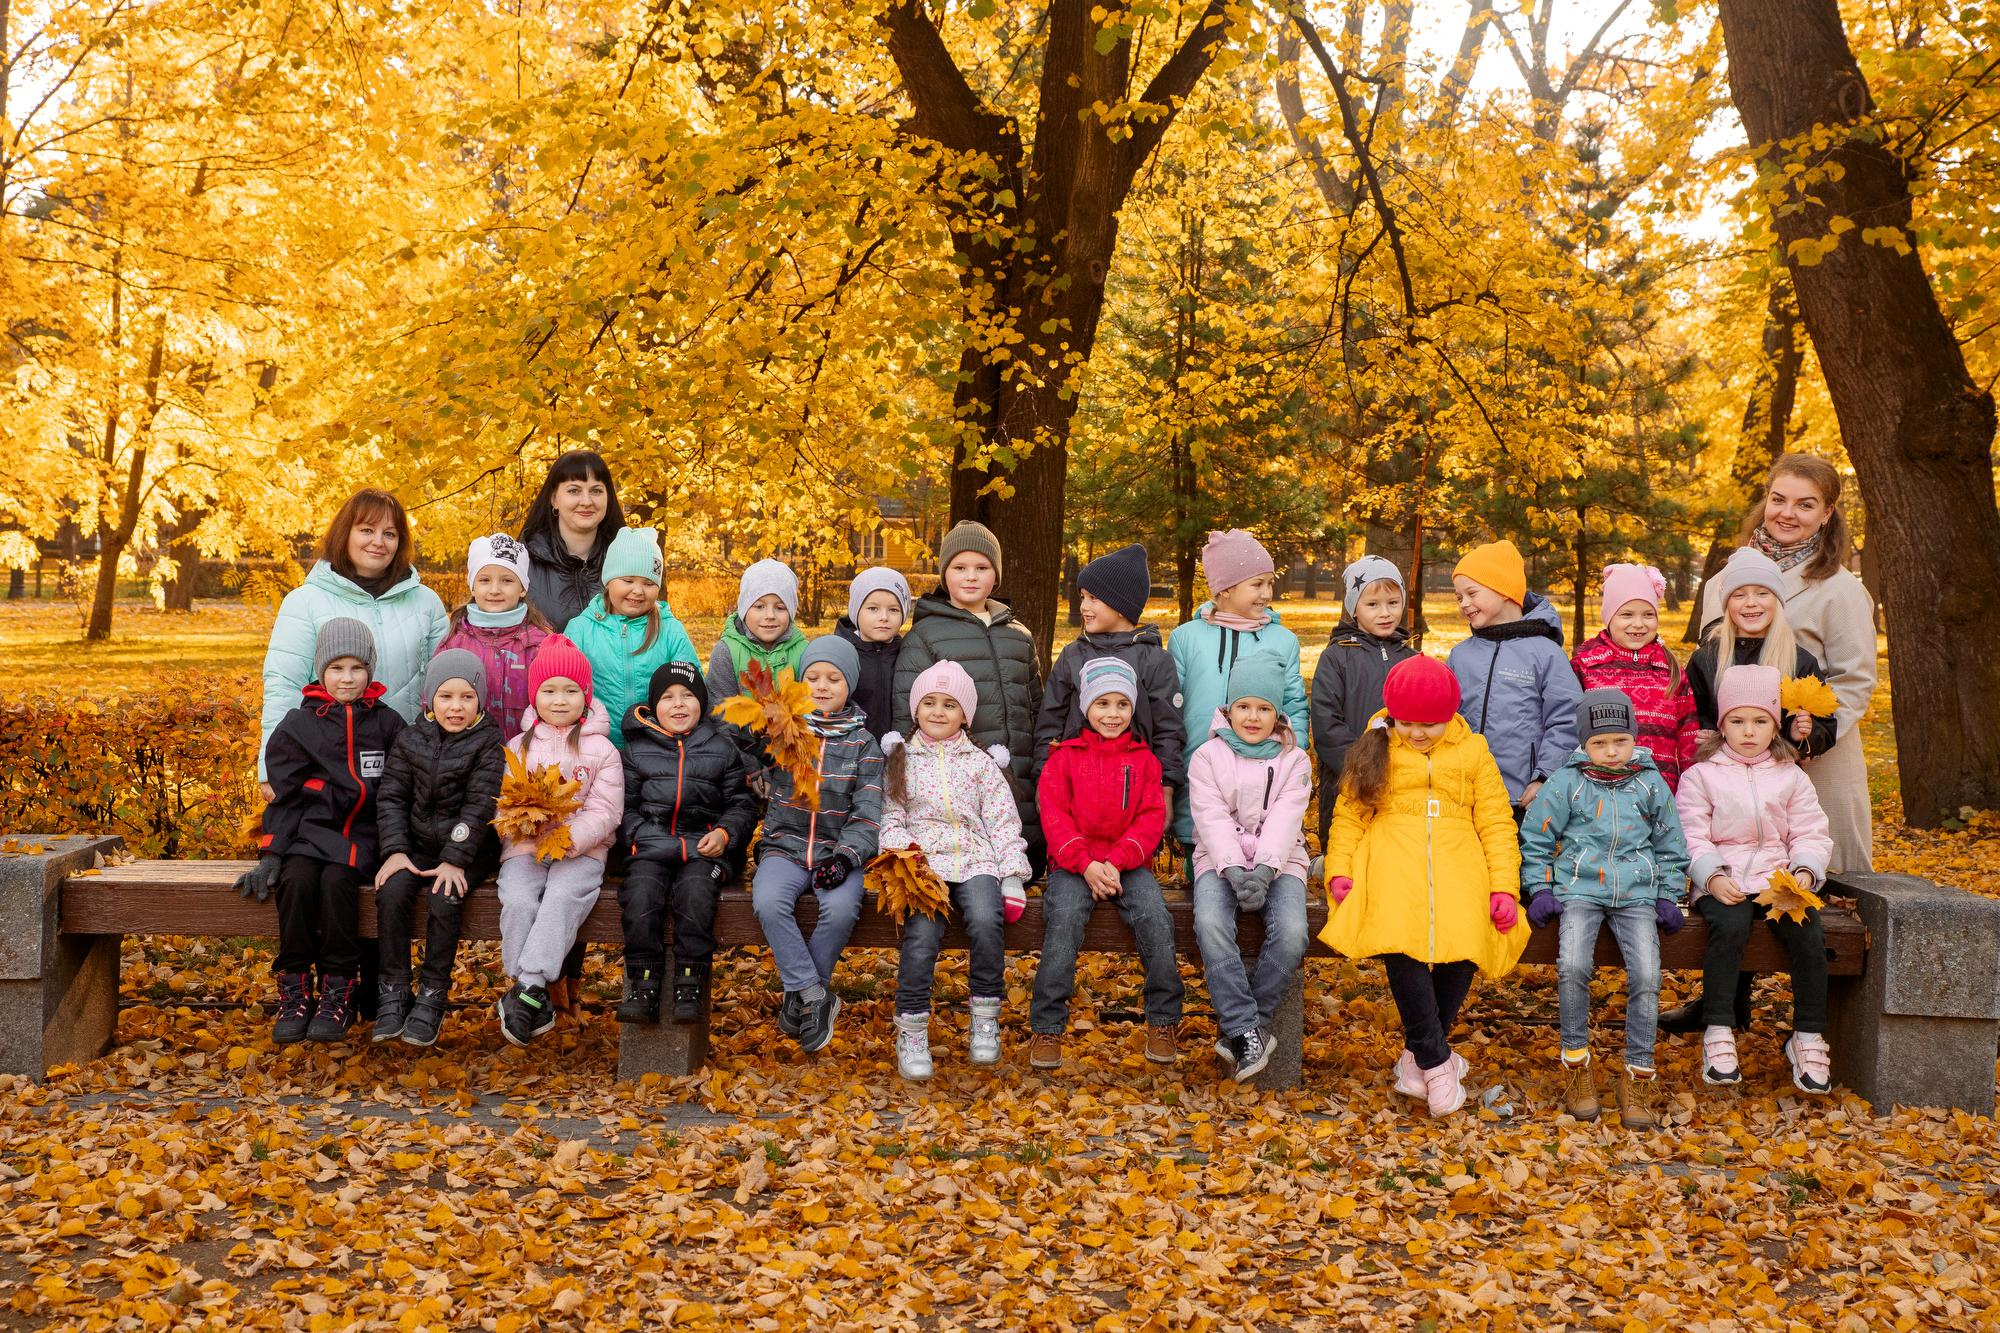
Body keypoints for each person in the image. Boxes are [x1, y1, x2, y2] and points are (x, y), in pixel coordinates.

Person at [1320, 655, 1528, 1117]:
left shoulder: (1473, 751)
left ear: (1450, 716)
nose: (1417, 733)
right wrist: (1339, 869)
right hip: (1391, 858)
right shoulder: (1377, 747)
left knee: (1465, 944)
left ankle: (1418, 1058)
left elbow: (1495, 821)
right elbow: (1350, 815)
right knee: (1401, 943)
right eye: (1407, 722)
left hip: (1459, 860)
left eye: (1429, 724)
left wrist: (1502, 887)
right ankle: (1436, 1063)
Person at [1520, 688, 1692, 1129]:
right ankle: (1577, 1067)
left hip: (1637, 893)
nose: (1611, 752)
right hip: (1579, 888)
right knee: (1573, 965)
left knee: (1648, 975)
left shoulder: (1651, 782)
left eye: (1620, 740)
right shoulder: (1567, 782)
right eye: (1599, 743)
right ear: (1584, 743)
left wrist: (1668, 893)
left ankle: (1636, 1076)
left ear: (1634, 736)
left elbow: (1671, 844)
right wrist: (1539, 888)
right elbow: (1537, 836)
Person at [1700, 452, 1875, 875]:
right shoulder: (1722, 583)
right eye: (1779, 500)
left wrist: (1807, 740)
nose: (1787, 513)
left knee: (1825, 884)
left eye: (1805, 504)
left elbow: (1853, 680)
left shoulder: (1838, 589)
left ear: (1827, 512)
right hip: (1735, 757)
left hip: (1814, 760)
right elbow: (1709, 670)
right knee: (1740, 878)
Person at [238, 619, 406, 1044]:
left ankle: (338, 988)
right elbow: (285, 797)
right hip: (308, 835)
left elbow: (400, 791)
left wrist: (399, 847)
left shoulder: (387, 725)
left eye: (356, 668)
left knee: (336, 885)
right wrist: (271, 854)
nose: (347, 678)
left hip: (362, 841)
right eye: (336, 668)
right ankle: (294, 985)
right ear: (320, 671)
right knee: (295, 883)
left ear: (370, 670)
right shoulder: (299, 724)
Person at [1674, 665, 1835, 1094]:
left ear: (1774, 724)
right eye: (1737, 721)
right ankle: (1718, 1030)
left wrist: (1804, 869)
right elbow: (1690, 833)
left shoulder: (1789, 774)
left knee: (1805, 928)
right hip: (1723, 877)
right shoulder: (1701, 775)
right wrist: (1709, 875)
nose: (1749, 731)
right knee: (1729, 926)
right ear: (1722, 724)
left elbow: (1809, 831)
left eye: (1760, 720)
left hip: (1778, 877)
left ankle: (1807, 1035)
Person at [1029, 658, 1184, 1069]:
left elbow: (1151, 817)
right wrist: (1086, 864)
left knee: (1155, 917)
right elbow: (1055, 816)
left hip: (1128, 863)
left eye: (1121, 705)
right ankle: (1047, 1028)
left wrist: (1115, 862)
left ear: (1133, 709)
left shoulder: (1144, 759)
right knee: (1062, 920)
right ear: (1085, 707)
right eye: (1102, 704)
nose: (1112, 714)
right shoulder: (1063, 758)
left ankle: (1163, 1020)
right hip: (1073, 864)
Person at [880, 660, 1031, 1079]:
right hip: (923, 865)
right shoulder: (902, 760)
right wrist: (901, 857)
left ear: (965, 714)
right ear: (916, 710)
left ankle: (984, 1018)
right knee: (923, 937)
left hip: (975, 858)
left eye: (949, 704)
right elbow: (892, 816)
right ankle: (911, 1028)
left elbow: (1002, 820)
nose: (938, 712)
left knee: (985, 920)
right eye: (929, 702)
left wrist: (1012, 872)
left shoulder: (980, 763)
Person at [257, 489, 446, 795]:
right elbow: (284, 684)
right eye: (367, 530)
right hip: (330, 772)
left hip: (410, 769)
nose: (378, 542)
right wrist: (270, 768)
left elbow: (444, 686)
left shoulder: (426, 603)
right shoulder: (306, 602)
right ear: (345, 533)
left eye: (390, 533)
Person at [750, 636, 884, 1055]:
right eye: (813, 678)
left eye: (834, 678)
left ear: (850, 687)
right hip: (784, 847)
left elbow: (868, 813)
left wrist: (846, 858)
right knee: (768, 902)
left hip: (837, 853)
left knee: (842, 908)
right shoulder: (784, 734)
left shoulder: (864, 746)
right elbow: (753, 774)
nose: (822, 686)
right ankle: (814, 995)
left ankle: (802, 996)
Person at [1185, 656, 1312, 1081]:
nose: (1253, 718)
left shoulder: (1295, 759)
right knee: (1211, 923)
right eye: (1243, 707)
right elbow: (1211, 816)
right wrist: (1235, 870)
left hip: (1282, 860)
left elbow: (1286, 818)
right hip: (1219, 861)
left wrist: (1265, 871)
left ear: (1277, 713)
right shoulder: (1206, 756)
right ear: (1228, 708)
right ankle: (1246, 1027)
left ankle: (1244, 1028)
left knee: (1293, 932)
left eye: (1263, 708)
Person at [494, 637, 625, 1046]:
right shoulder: (519, 746)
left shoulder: (601, 749)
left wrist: (572, 838)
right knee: (517, 898)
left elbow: (606, 809)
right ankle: (528, 989)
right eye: (549, 690)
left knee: (561, 898)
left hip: (582, 852)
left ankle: (527, 989)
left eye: (571, 690)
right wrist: (519, 824)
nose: (560, 699)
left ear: (586, 697)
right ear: (535, 696)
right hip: (526, 848)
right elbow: (503, 803)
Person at [371, 650, 506, 1047]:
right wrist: (396, 851)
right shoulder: (411, 738)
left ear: (480, 700)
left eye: (467, 697)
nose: (456, 707)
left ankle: (432, 994)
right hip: (414, 845)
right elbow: (392, 797)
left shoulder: (489, 743)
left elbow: (481, 806)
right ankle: (393, 989)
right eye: (446, 697)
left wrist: (454, 859)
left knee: (444, 898)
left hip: (469, 850)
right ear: (431, 698)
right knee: (392, 891)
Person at [893, 521, 1043, 864]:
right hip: (955, 796)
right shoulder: (925, 636)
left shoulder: (1019, 635)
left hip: (1019, 779)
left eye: (982, 567)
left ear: (997, 575)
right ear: (946, 575)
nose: (971, 576)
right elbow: (907, 717)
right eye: (960, 567)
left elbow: (1036, 708)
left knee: (1021, 869)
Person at [617, 661, 759, 1025]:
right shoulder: (636, 750)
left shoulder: (722, 749)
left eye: (688, 697)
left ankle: (690, 981)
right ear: (653, 705)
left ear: (701, 704)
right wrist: (639, 838)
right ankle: (643, 981)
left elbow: (742, 804)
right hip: (651, 846)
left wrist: (725, 834)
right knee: (640, 894)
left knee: (696, 893)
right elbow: (626, 808)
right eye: (668, 697)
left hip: (705, 847)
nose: (678, 705)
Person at [1170, 530, 1309, 854]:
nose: (1267, 593)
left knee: (1264, 877)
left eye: (1269, 583)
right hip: (1202, 784)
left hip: (1269, 786)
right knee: (1207, 884)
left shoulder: (1282, 640)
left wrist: (1294, 752)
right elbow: (1170, 712)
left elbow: (1293, 704)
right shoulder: (1186, 639)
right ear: (1226, 588)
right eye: (1257, 584)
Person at [1036, 543, 1185, 827]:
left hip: (1134, 793)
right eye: (1082, 597)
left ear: (1120, 605)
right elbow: (1050, 723)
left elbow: (1169, 730)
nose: (1083, 606)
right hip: (1074, 791)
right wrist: (1045, 776)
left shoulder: (1154, 660)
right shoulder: (1072, 655)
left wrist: (1166, 788)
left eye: (1093, 598)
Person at [1446, 539, 1581, 816]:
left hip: (1521, 798)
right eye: (1459, 597)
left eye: (1471, 593)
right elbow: (1444, 718)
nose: (1464, 603)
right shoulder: (1460, 656)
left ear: (1504, 591)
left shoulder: (1545, 653)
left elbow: (1566, 719)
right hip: (1464, 796)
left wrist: (1545, 776)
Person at [1310, 554, 1416, 848]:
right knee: (1348, 857)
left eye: (1393, 603)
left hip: (1400, 783)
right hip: (1347, 781)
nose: (1385, 613)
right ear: (1353, 608)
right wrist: (1359, 769)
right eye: (1373, 604)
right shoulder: (1337, 656)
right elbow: (1325, 722)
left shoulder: (1410, 659)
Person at [562, 526, 700, 748]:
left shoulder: (670, 630)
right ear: (608, 581)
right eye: (628, 580)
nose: (638, 591)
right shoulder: (580, 630)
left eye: (648, 583)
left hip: (658, 747)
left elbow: (692, 685)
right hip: (595, 747)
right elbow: (562, 685)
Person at [1570, 563, 1699, 791]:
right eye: (1627, 614)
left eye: (1648, 614)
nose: (1638, 624)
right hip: (1599, 791)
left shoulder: (1670, 668)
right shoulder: (1586, 666)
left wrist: (1692, 788)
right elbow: (1569, 728)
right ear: (1609, 616)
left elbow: (1688, 734)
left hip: (1660, 792)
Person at [435, 533, 552, 739]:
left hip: (527, 759)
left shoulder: (541, 644)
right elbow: (433, 702)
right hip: (468, 759)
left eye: (507, 580)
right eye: (485, 580)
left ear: (523, 587)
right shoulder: (454, 642)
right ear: (472, 585)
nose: (495, 590)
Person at [518, 449, 626, 634]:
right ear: (554, 499)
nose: (586, 501)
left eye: (596, 491)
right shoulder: (522, 563)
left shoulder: (628, 559)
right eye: (574, 490)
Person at [705, 558, 810, 707]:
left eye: (780, 608)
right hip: (740, 730)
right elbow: (721, 710)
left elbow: (812, 706)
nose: (770, 615)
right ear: (744, 609)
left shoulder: (804, 652)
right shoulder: (726, 652)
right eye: (759, 606)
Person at [833, 567, 911, 745]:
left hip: (897, 755)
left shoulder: (908, 654)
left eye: (893, 610)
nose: (884, 617)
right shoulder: (840, 655)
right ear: (856, 611)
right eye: (873, 608)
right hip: (851, 753)